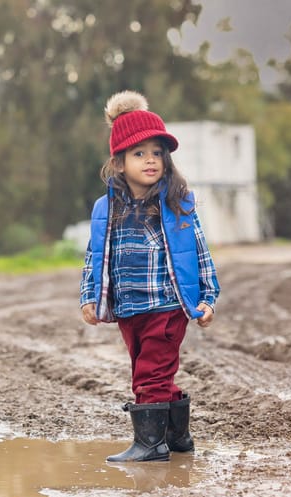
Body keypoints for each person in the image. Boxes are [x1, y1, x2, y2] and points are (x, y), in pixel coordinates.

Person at [80, 90, 220, 462]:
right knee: (155, 372)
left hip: (167, 307)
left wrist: (207, 299)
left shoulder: (176, 205)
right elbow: (95, 255)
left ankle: (150, 445)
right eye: (139, 153)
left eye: (157, 152)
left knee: (149, 376)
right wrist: (88, 296)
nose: (151, 160)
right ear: (119, 161)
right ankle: (178, 437)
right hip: (129, 310)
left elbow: (199, 253)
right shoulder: (105, 207)